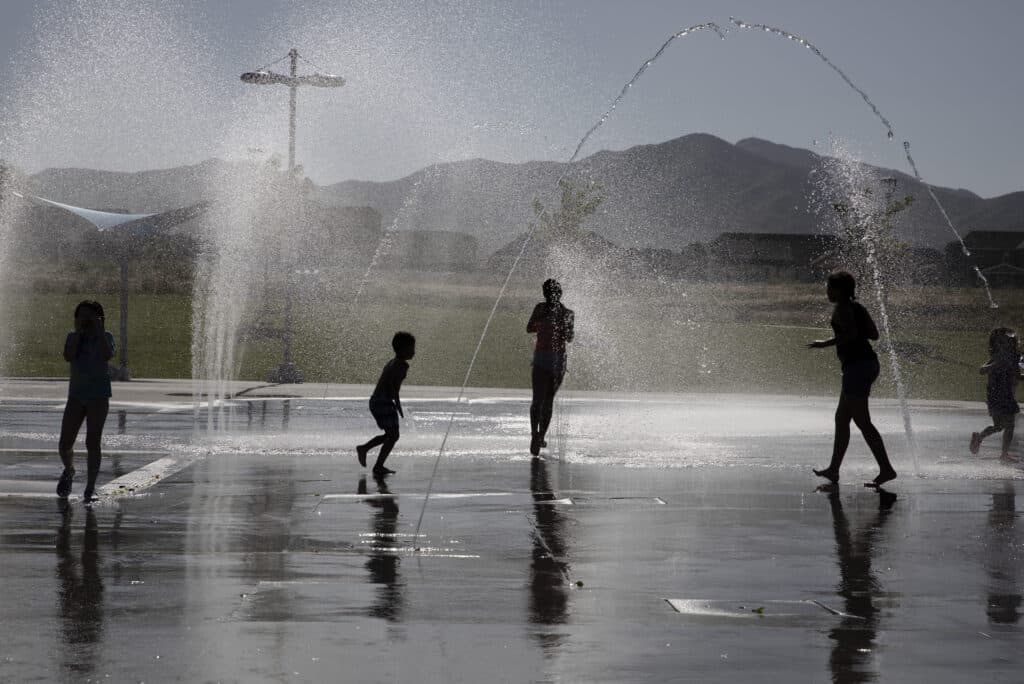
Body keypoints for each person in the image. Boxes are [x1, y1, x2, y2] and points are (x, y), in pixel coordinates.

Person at [808, 272, 896, 487]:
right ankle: (833, 470)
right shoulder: (857, 307)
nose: (827, 292)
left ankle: (886, 469)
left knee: (863, 422)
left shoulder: (842, 309)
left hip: (857, 367)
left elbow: (850, 335)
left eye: (829, 288)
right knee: (841, 418)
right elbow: (874, 334)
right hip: (866, 364)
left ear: (839, 290)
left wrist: (824, 343)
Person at [57, 301, 115, 503]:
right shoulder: (73, 337)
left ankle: (90, 487)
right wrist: (79, 334)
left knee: (93, 441)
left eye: (89, 317)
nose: (84, 320)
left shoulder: (105, 337)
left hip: (98, 396)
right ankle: (69, 469)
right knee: (64, 443)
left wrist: (99, 331)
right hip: (76, 395)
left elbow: (108, 354)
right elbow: (68, 356)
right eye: (80, 316)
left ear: (99, 319)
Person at [357, 332, 415, 476]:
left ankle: (372, 457)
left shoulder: (392, 362)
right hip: (383, 402)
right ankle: (370, 455)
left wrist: (395, 403)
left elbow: (389, 383)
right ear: (402, 349)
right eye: (411, 348)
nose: (414, 351)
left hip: (377, 401)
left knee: (392, 435)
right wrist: (397, 404)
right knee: (393, 435)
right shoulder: (402, 366)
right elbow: (393, 386)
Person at [527, 279, 574, 457]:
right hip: (557, 361)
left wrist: (544, 324)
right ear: (560, 293)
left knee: (537, 399)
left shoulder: (540, 309)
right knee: (547, 400)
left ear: (545, 294)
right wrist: (561, 327)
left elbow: (529, 328)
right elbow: (570, 337)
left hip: (541, 360)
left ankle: (535, 434)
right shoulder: (567, 313)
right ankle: (540, 436)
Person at [970, 327, 1021, 461]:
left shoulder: (1013, 358)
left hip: (1006, 395)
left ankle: (984, 440)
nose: (1005, 345)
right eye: (1002, 342)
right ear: (996, 344)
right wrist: (995, 365)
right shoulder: (997, 357)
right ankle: (1000, 451)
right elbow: (982, 370)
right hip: (996, 396)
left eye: (1008, 342)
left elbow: (1017, 375)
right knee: (1004, 425)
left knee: (1004, 425)